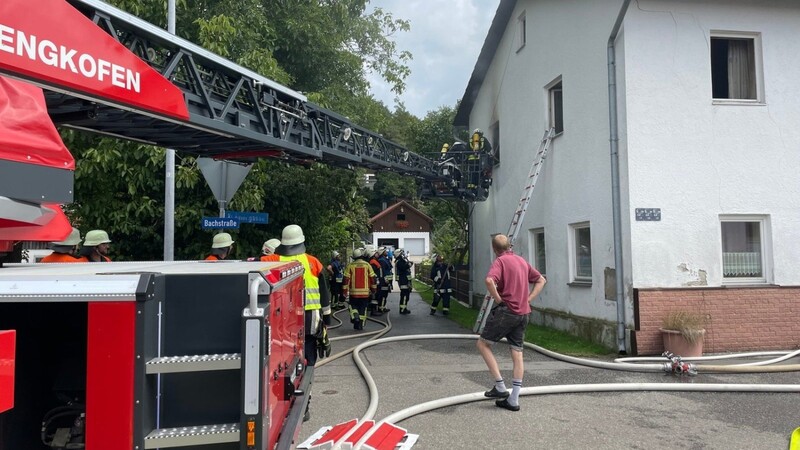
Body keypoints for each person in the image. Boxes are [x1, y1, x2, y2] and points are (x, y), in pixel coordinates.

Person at [267, 224, 331, 421]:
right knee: (307, 363)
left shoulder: (271, 261)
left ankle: (281, 405)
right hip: (310, 321)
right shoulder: (313, 262)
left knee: (282, 364)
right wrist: (326, 321)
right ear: (302, 242)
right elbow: (325, 295)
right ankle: (304, 405)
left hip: (283, 323)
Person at [477, 234, 546, 412]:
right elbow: (541, 280)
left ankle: (500, 387)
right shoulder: (521, 261)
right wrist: (528, 299)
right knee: (517, 353)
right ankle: (513, 399)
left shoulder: (500, 262)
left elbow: (489, 280)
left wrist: (498, 299)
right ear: (510, 246)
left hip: (507, 312)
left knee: (483, 344)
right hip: (523, 313)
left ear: (495, 249)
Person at [342, 247, 376, 330]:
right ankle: (360, 324)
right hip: (365, 293)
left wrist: (344, 292)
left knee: (352, 306)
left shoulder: (350, 266)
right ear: (362, 256)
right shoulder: (367, 265)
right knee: (363, 308)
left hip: (354, 293)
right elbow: (372, 278)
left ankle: (355, 317)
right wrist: (373, 290)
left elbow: (346, 280)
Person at [394, 249, 414, 314]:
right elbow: (403, 268)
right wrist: (409, 264)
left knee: (406, 296)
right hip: (403, 281)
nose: (403, 255)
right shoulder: (399, 262)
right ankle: (402, 309)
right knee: (404, 295)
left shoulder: (401, 260)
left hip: (405, 280)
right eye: (402, 253)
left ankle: (404, 308)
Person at [365, 245, 383, 316]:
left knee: (375, 296)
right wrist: (376, 280)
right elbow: (373, 273)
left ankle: (373, 309)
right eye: (376, 253)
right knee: (374, 296)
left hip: (376, 281)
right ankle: (373, 310)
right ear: (372, 254)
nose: (377, 254)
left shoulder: (374, 261)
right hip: (375, 282)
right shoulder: (372, 262)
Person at [377, 246, 393, 314]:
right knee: (383, 295)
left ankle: (383, 307)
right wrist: (385, 279)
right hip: (384, 281)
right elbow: (382, 272)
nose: (387, 252)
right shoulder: (382, 261)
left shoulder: (385, 259)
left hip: (387, 281)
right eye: (385, 251)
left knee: (385, 295)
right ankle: (381, 308)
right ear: (382, 253)